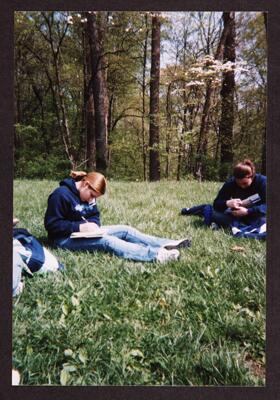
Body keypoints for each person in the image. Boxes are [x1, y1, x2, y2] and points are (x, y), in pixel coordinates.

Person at [44, 171, 191, 263]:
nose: (91, 200)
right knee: (106, 241)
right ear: (85, 185)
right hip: (62, 239)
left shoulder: (88, 196)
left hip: (85, 233)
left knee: (125, 229)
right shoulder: (60, 195)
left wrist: (94, 225)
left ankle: (167, 243)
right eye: (92, 196)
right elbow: (51, 226)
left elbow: (95, 215)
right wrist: (79, 227)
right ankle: (155, 255)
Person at [181, 159, 266, 229]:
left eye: (245, 184)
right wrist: (227, 203)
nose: (242, 187)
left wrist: (248, 211)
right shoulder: (231, 182)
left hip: (257, 215)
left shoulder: (263, 182)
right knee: (214, 213)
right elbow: (217, 204)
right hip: (234, 215)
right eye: (239, 184)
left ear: (252, 176)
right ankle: (198, 211)